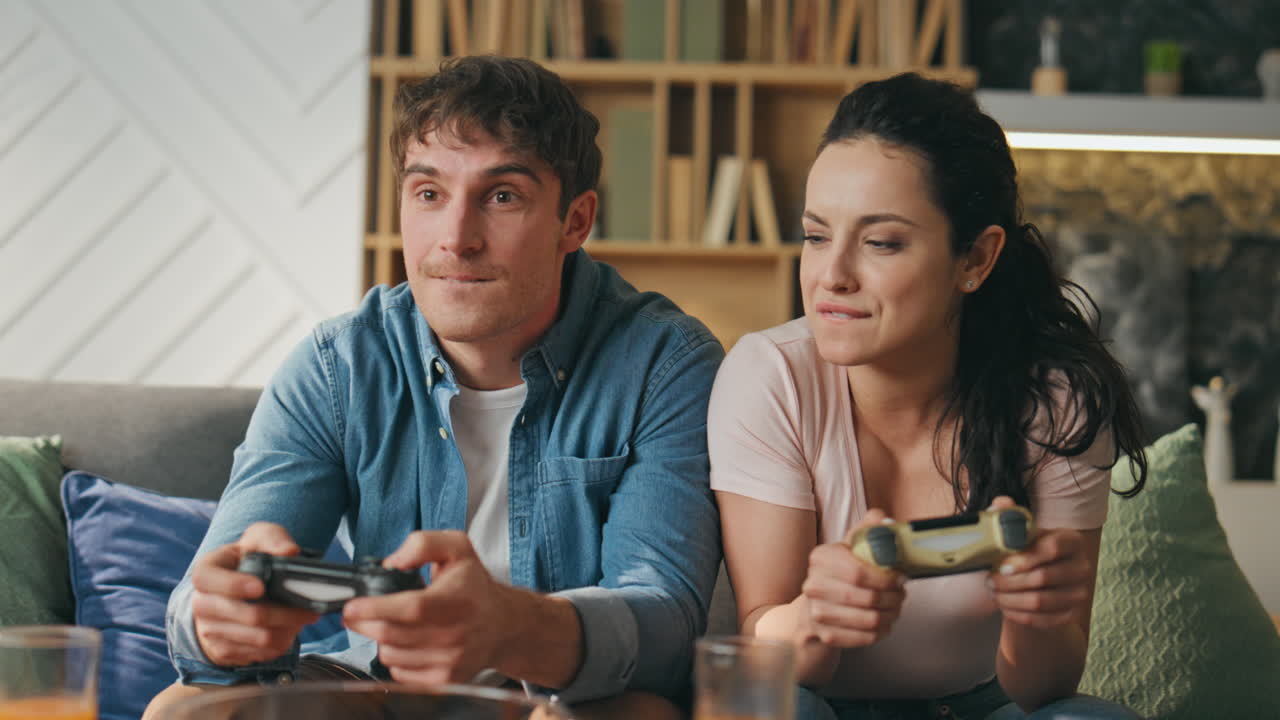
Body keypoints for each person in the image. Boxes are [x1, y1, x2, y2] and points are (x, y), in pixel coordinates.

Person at [144, 55, 723, 720]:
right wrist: (216, 622)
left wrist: (511, 625)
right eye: (429, 194)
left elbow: (667, 625)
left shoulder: (665, 363)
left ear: (576, 220)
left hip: (561, 698)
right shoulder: (339, 365)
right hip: (378, 688)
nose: (455, 239)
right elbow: (206, 596)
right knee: (185, 712)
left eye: (501, 196)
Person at [708, 72, 1150, 720]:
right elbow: (766, 650)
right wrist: (815, 615)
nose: (831, 276)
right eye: (815, 235)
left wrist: (1036, 614)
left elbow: (1044, 687)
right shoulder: (770, 378)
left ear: (975, 258)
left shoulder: (1055, 401)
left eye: (881, 242)